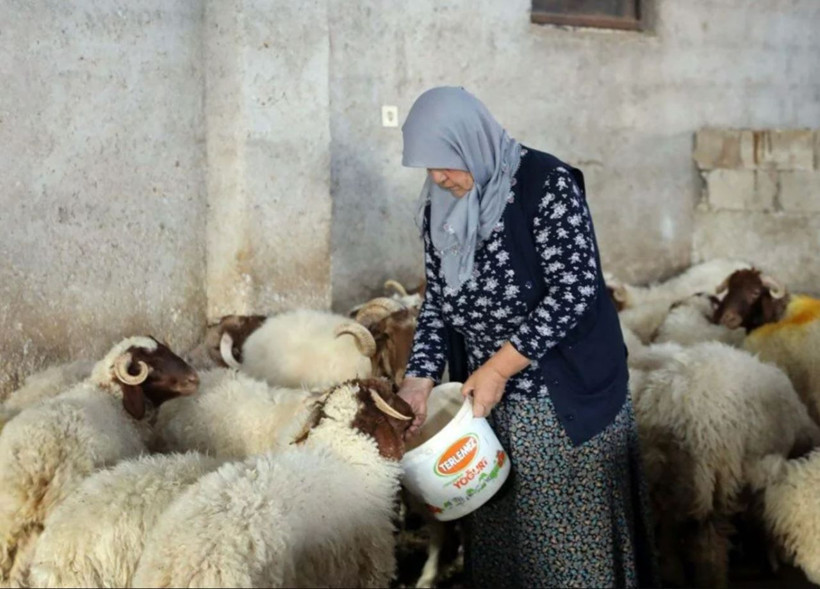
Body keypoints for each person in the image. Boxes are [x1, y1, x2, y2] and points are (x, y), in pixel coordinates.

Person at [397, 86, 656, 588]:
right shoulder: (439, 205)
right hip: (485, 403)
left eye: (444, 162)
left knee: (564, 544)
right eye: (425, 166)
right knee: (501, 536)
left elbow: (576, 289)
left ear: (472, 142)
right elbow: (439, 303)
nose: (436, 177)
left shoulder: (545, 183)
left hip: (561, 396)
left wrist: (498, 367)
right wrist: (419, 379)